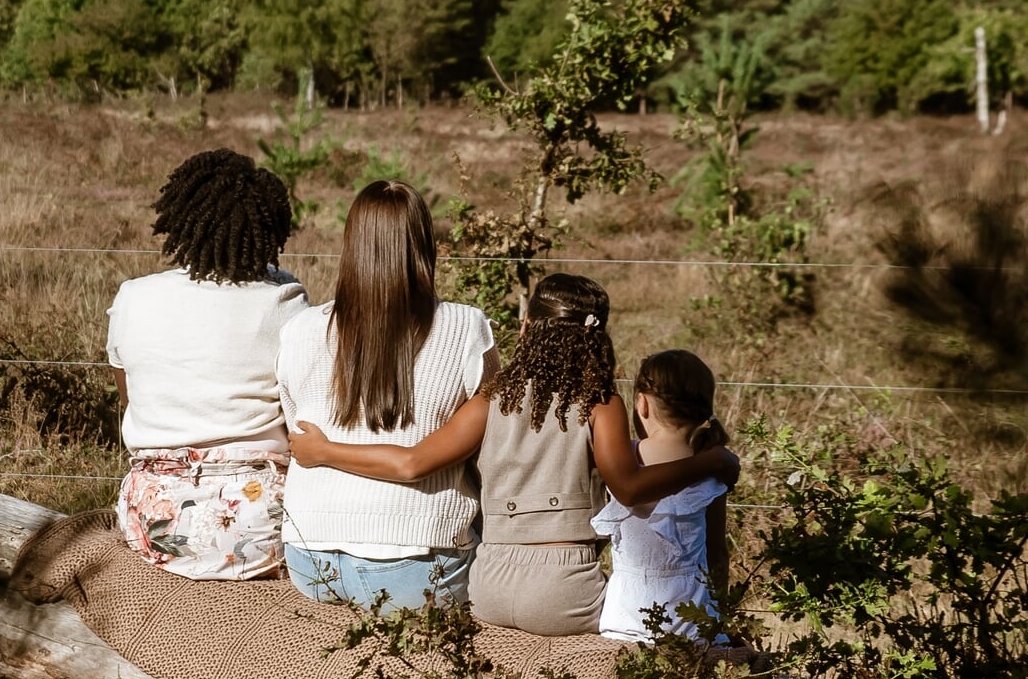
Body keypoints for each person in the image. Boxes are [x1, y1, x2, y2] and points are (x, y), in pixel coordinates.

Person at [290, 274, 739, 635]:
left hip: (490, 586)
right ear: (596, 339)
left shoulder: (491, 400)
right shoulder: (600, 404)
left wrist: (325, 450)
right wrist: (711, 462)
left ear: (526, 327)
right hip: (564, 590)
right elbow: (628, 487)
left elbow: (412, 464)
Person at [275, 180, 497, 611]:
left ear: (351, 244)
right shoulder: (466, 327)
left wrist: (326, 451)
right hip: (415, 567)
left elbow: (297, 430)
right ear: (423, 245)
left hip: (309, 561)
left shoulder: (300, 329)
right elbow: (493, 438)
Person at [108, 148, 307, 580]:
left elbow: (130, 397)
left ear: (182, 220)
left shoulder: (133, 297)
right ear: (269, 229)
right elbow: (300, 405)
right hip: (262, 522)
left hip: (154, 521)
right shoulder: (285, 299)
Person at [592, 349, 732, 642]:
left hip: (625, 616)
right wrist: (719, 612)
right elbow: (717, 553)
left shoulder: (624, 460)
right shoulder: (711, 466)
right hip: (691, 620)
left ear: (641, 403)